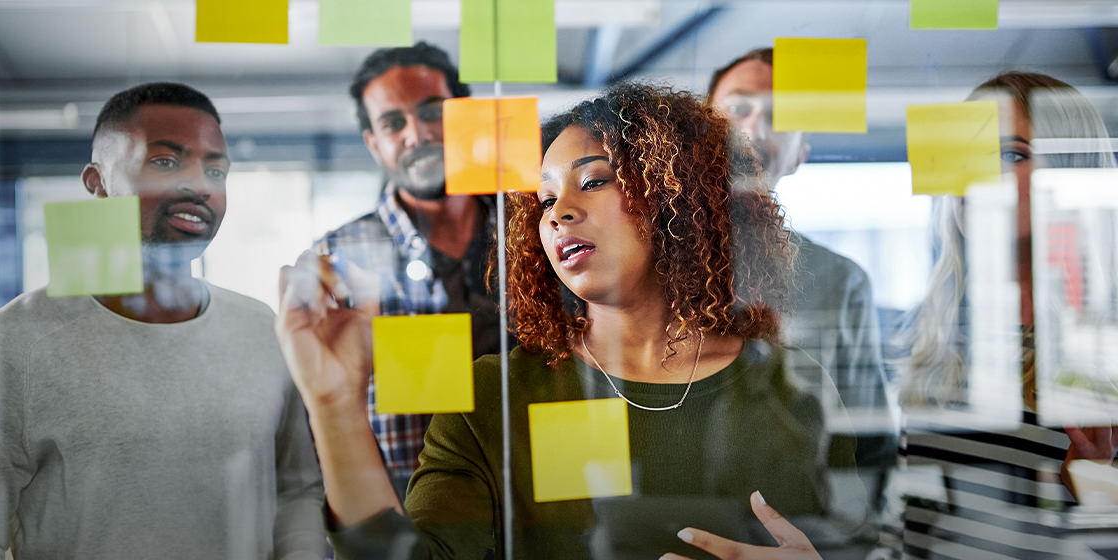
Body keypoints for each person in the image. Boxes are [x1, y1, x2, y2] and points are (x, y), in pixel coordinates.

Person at [276, 83, 864, 559]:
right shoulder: (492, 395)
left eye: (593, 181)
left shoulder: (790, 384)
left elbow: (859, 541)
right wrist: (334, 405)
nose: (559, 213)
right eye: (544, 199)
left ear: (678, 196)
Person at [0, 83, 325, 559]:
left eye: (216, 170)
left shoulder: (261, 328)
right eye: (166, 162)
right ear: (97, 182)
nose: (200, 185)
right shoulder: (18, 341)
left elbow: (296, 490)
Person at [886, 71, 1118, 559]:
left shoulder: (1103, 344)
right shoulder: (933, 332)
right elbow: (908, 523)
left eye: (1011, 155)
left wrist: (1097, 487)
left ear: (1069, 174)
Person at [708, 47, 897, 511]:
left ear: (800, 155)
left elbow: (869, 443)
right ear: (699, 129)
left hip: (800, 528)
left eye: (780, 117)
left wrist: (849, 536)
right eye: (738, 108)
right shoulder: (637, 262)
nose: (755, 128)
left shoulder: (840, 281)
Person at [317, 41, 500, 492]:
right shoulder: (338, 258)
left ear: (466, 116)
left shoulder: (537, 231)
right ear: (373, 144)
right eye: (393, 123)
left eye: (433, 112)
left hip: (544, 501)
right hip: (414, 511)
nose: (417, 135)